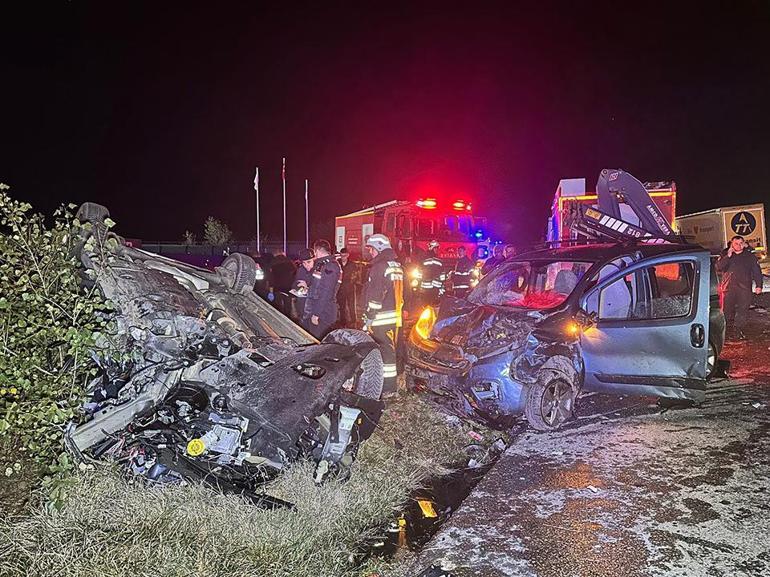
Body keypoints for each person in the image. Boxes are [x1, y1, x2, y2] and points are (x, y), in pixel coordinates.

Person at [363, 234, 403, 398]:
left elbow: (375, 294)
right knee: (389, 350)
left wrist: (369, 315)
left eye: (371, 249)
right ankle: (389, 386)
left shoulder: (379, 266)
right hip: (394, 316)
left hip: (381, 317)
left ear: (378, 248)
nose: (370, 253)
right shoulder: (397, 265)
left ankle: (386, 388)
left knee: (384, 352)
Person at [716, 235, 763, 339]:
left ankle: (738, 330)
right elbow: (718, 267)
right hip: (728, 289)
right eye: (736, 243)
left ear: (744, 243)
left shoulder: (749, 256)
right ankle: (726, 331)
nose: (738, 245)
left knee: (742, 310)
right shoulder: (725, 254)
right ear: (731, 244)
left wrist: (759, 285)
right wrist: (728, 256)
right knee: (726, 311)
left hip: (744, 288)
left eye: (741, 243)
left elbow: (757, 272)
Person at [302, 239, 342, 339]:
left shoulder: (330, 266)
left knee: (319, 342)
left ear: (317, 251)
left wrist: (316, 313)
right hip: (319, 309)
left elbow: (326, 292)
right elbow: (317, 287)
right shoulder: (322, 264)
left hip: (324, 312)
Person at [337, 247, 360, 327]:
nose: (343, 257)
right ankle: (343, 322)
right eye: (341, 255)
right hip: (340, 288)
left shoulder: (352, 264)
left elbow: (356, 275)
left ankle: (353, 321)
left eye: (344, 256)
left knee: (351, 305)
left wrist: (351, 282)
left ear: (347, 255)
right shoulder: (337, 264)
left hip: (350, 288)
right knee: (341, 306)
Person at [290, 248, 315, 321]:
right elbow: (294, 285)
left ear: (314, 259)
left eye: (309, 262)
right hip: (302, 306)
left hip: (314, 309)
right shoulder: (301, 270)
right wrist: (299, 287)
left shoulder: (318, 271)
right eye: (304, 263)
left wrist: (307, 287)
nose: (306, 265)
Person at [269, 251, 297, 316]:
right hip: (288, 287)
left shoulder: (273, 263)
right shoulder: (289, 262)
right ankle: (288, 317)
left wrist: (271, 291)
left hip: (277, 288)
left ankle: (279, 318)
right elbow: (295, 273)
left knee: (278, 306)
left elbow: (271, 278)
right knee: (288, 305)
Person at [419, 240, 444, 305]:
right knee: (433, 306)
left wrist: (420, 285)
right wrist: (442, 286)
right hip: (435, 288)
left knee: (425, 305)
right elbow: (442, 275)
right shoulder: (438, 260)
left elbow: (420, 272)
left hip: (425, 288)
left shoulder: (423, 259)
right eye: (436, 248)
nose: (437, 250)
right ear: (433, 248)